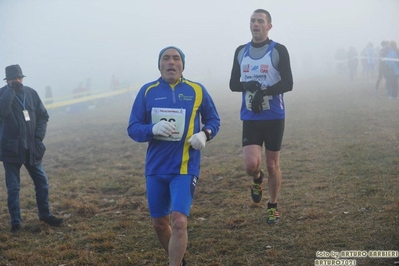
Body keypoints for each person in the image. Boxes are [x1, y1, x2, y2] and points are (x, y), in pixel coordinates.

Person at [127, 46, 220, 265]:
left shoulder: (196, 90)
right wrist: (152, 129)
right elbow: (133, 128)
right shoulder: (147, 91)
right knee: (160, 224)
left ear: (182, 65)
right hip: (156, 168)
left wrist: (205, 134)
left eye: (176, 58)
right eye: (166, 58)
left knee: (179, 222)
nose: (171, 62)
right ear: (159, 65)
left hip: (185, 168)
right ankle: (178, 258)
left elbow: (214, 120)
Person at [229, 9, 293, 225]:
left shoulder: (278, 50)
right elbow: (233, 84)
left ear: (269, 26)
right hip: (251, 117)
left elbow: (288, 83)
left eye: (260, 21)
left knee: (272, 164)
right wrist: (247, 85)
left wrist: (264, 92)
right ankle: (257, 179)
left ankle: (273, 205)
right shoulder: (241, 51)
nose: (256, 24)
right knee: (250, 164)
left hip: (274, 116)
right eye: (253, 21)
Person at [0, 65, 63, 233]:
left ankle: (45, 215)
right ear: (8, 80)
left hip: (31, 148)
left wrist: (38, 138)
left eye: (20, 78)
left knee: (42, 183)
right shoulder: (2, 94)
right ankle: (15, 223)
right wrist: (10, 91)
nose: (18, 81)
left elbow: (43, 116)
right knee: (13, 188)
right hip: (10, 151)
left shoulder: (31, 93)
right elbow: (2, 111)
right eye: (14, 79)